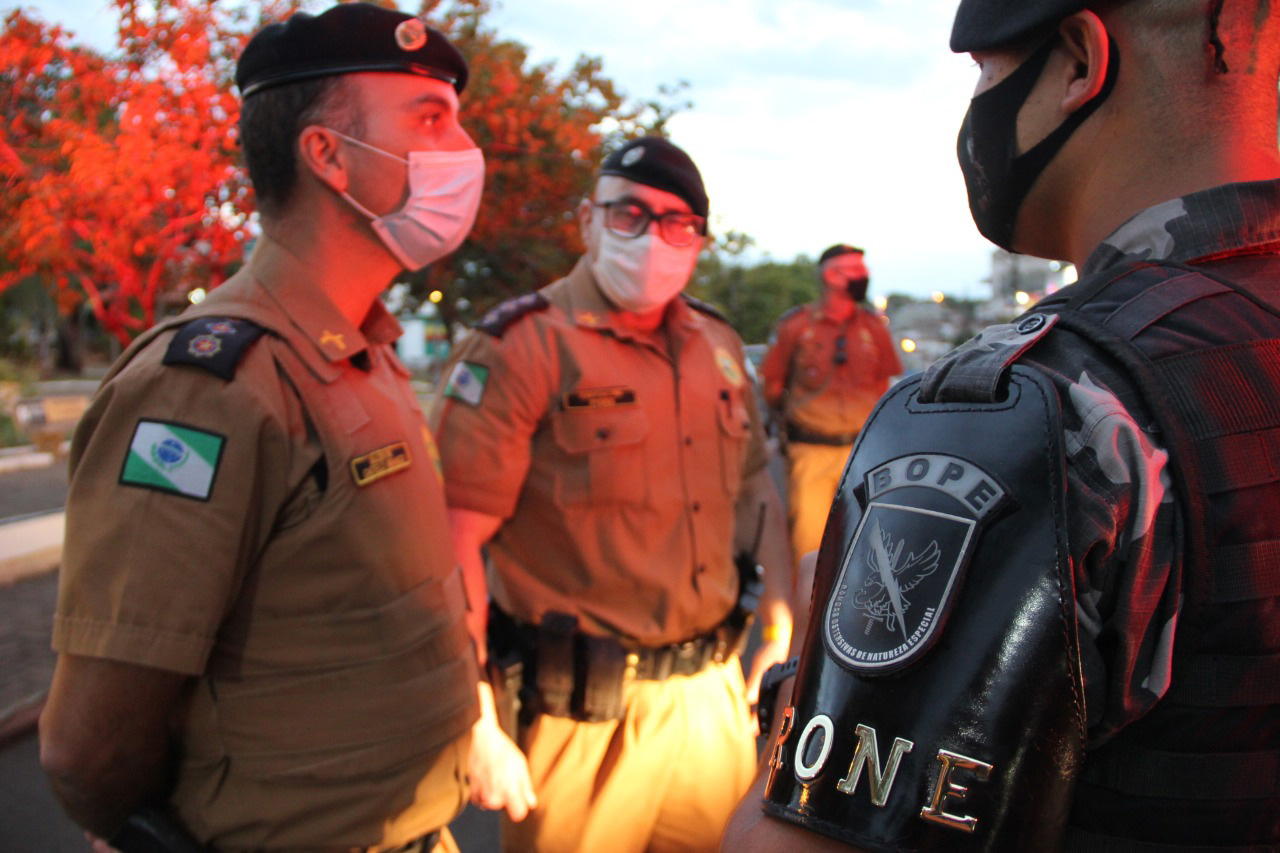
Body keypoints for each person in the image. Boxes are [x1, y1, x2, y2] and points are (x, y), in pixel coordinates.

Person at [725, 0, 1280, 849]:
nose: (977, 104)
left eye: (985, 71)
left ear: (1079, 62)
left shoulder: (1030, 406)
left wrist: (806, 680)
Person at [37, 5, 485, 850]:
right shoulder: (209, 387)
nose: (464, 150)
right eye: (430, 119)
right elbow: (88, 745)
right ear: (326, 154)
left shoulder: (367, 351)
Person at [429, 136, 793, 853]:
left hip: (714, 699)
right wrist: (472, 716)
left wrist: (780, 616)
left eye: (677, 222)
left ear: (698, 240)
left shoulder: (715, 343)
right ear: (588, 220)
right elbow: (452, 541)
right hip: (581, 719)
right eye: (630, 213)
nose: (653, 237)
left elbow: (754, 485)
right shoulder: (522, 345)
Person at [758, 245, 901, 570]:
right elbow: (773, 385)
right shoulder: (795, 327)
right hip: (811, 452)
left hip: (864, 454)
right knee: (809, 549)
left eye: (862, 270)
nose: (863, 277)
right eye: (854, 270)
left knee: (869, 543)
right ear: (831, 276)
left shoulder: (874, 328)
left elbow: (884, 386)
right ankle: (808, 617)